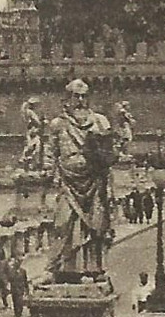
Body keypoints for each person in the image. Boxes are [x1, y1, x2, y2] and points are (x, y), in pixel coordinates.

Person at [46, 79, 116, 279]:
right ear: (67, 99)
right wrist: (50, 178)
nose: (80, 100)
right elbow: (51, 154)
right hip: (68, 184)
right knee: (63, 223)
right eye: (76, 96)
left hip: (95, 182)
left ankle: (93, 267)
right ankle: (67, 268)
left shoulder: (101, 122)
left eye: (84, 96)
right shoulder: (58, 125)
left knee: (96, 225)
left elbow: (110, 153)